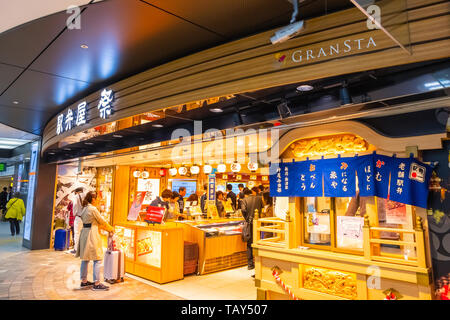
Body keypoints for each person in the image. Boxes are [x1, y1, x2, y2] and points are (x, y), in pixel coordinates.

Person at [76, 191, 114, 291]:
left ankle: (84, 281)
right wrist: (111, 228)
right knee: (97, 258)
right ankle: (97, 283)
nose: (98, 200)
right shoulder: (93, 209)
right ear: (93, 199)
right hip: (91, 234)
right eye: (97, 198)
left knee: (85, 258)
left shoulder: (85, 208)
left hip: (84, 233)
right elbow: (102, 221)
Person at [241, 188, 263, 271]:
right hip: (258, 223)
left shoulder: (244, 200)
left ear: (245, 194)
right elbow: (262, 209)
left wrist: (246, 218)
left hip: (249, 224)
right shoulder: (259, 198)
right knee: (258, 243)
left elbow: (243, 210)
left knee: (249, 244)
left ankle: (250, 264)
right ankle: (258, 262)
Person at [72, 187, 84, 254]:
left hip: (78, 217)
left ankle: (76, 249)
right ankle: (82, 249)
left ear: (77, 192)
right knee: (83, 234)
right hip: (85, 218)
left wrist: (74, 213)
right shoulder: (85, 196)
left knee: (77, 233)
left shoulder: (76, 196)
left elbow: (75, 205)